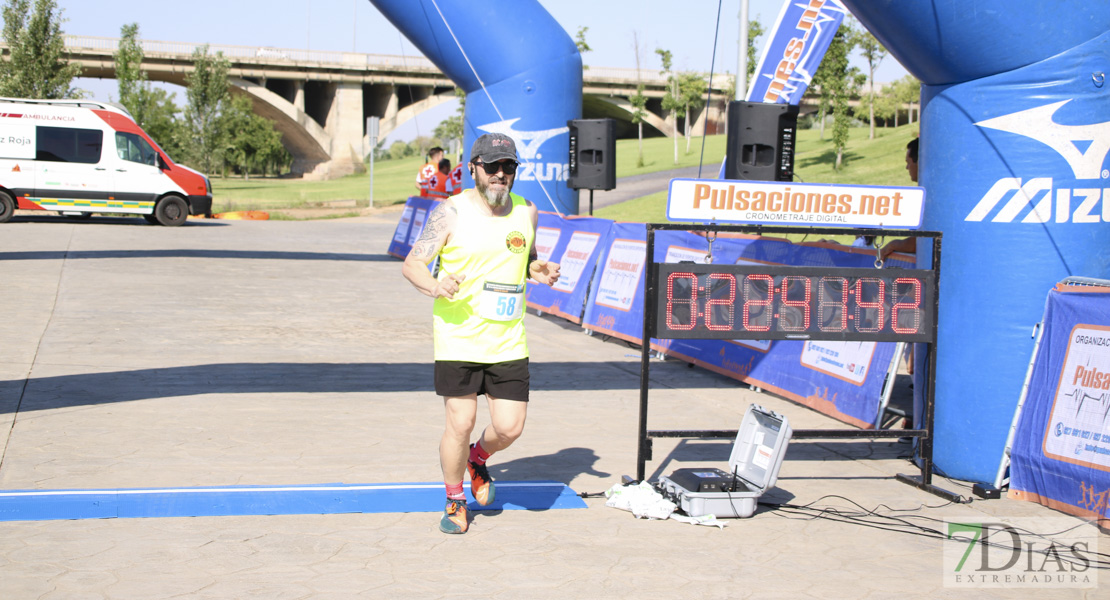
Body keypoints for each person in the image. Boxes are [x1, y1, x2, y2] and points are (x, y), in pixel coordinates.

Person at [402, 132, 561, 535]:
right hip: (458, 337)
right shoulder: (450, 213)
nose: (500, 175)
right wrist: (434, 285)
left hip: (507, 339)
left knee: (510, 427)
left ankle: (477, 459)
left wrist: (535, 269)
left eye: (508, 167)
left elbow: (525, 259)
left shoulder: (528, 212)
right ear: (473, 168)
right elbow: (413, 264)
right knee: (461, 420)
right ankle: (455, 499)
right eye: (492, 166)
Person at [878, 138, 919, 259]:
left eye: (908, 162)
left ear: (918, 162)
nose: (907, 167)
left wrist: (893, 245)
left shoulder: (928, 197)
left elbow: (917, 243)